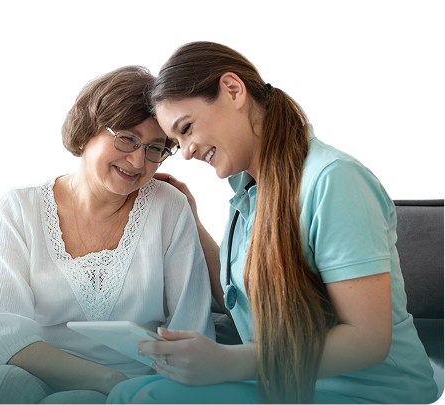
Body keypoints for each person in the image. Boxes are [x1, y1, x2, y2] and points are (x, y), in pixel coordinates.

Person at [107, 42, 439, 404]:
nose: (185, 153)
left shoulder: (334, 180)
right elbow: (242, 299)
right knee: (128, 392)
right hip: (287, 386)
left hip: (372, 394)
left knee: (146, 399)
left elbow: (368, 340)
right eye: (176, 142)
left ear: (233, 90)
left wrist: (227, 363)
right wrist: (193, 221)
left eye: (186, 128)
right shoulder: (249, 192)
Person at [0, 65, 216, 405]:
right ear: (87, 132)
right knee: (4, 384)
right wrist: (109, 380)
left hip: (131, 384)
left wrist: (127, 387)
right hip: (30, 367)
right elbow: (2, 334)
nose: (138, 161)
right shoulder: (21, 205)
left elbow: (191, 329)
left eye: (155, 148)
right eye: (127, 138)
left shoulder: (170, 207)